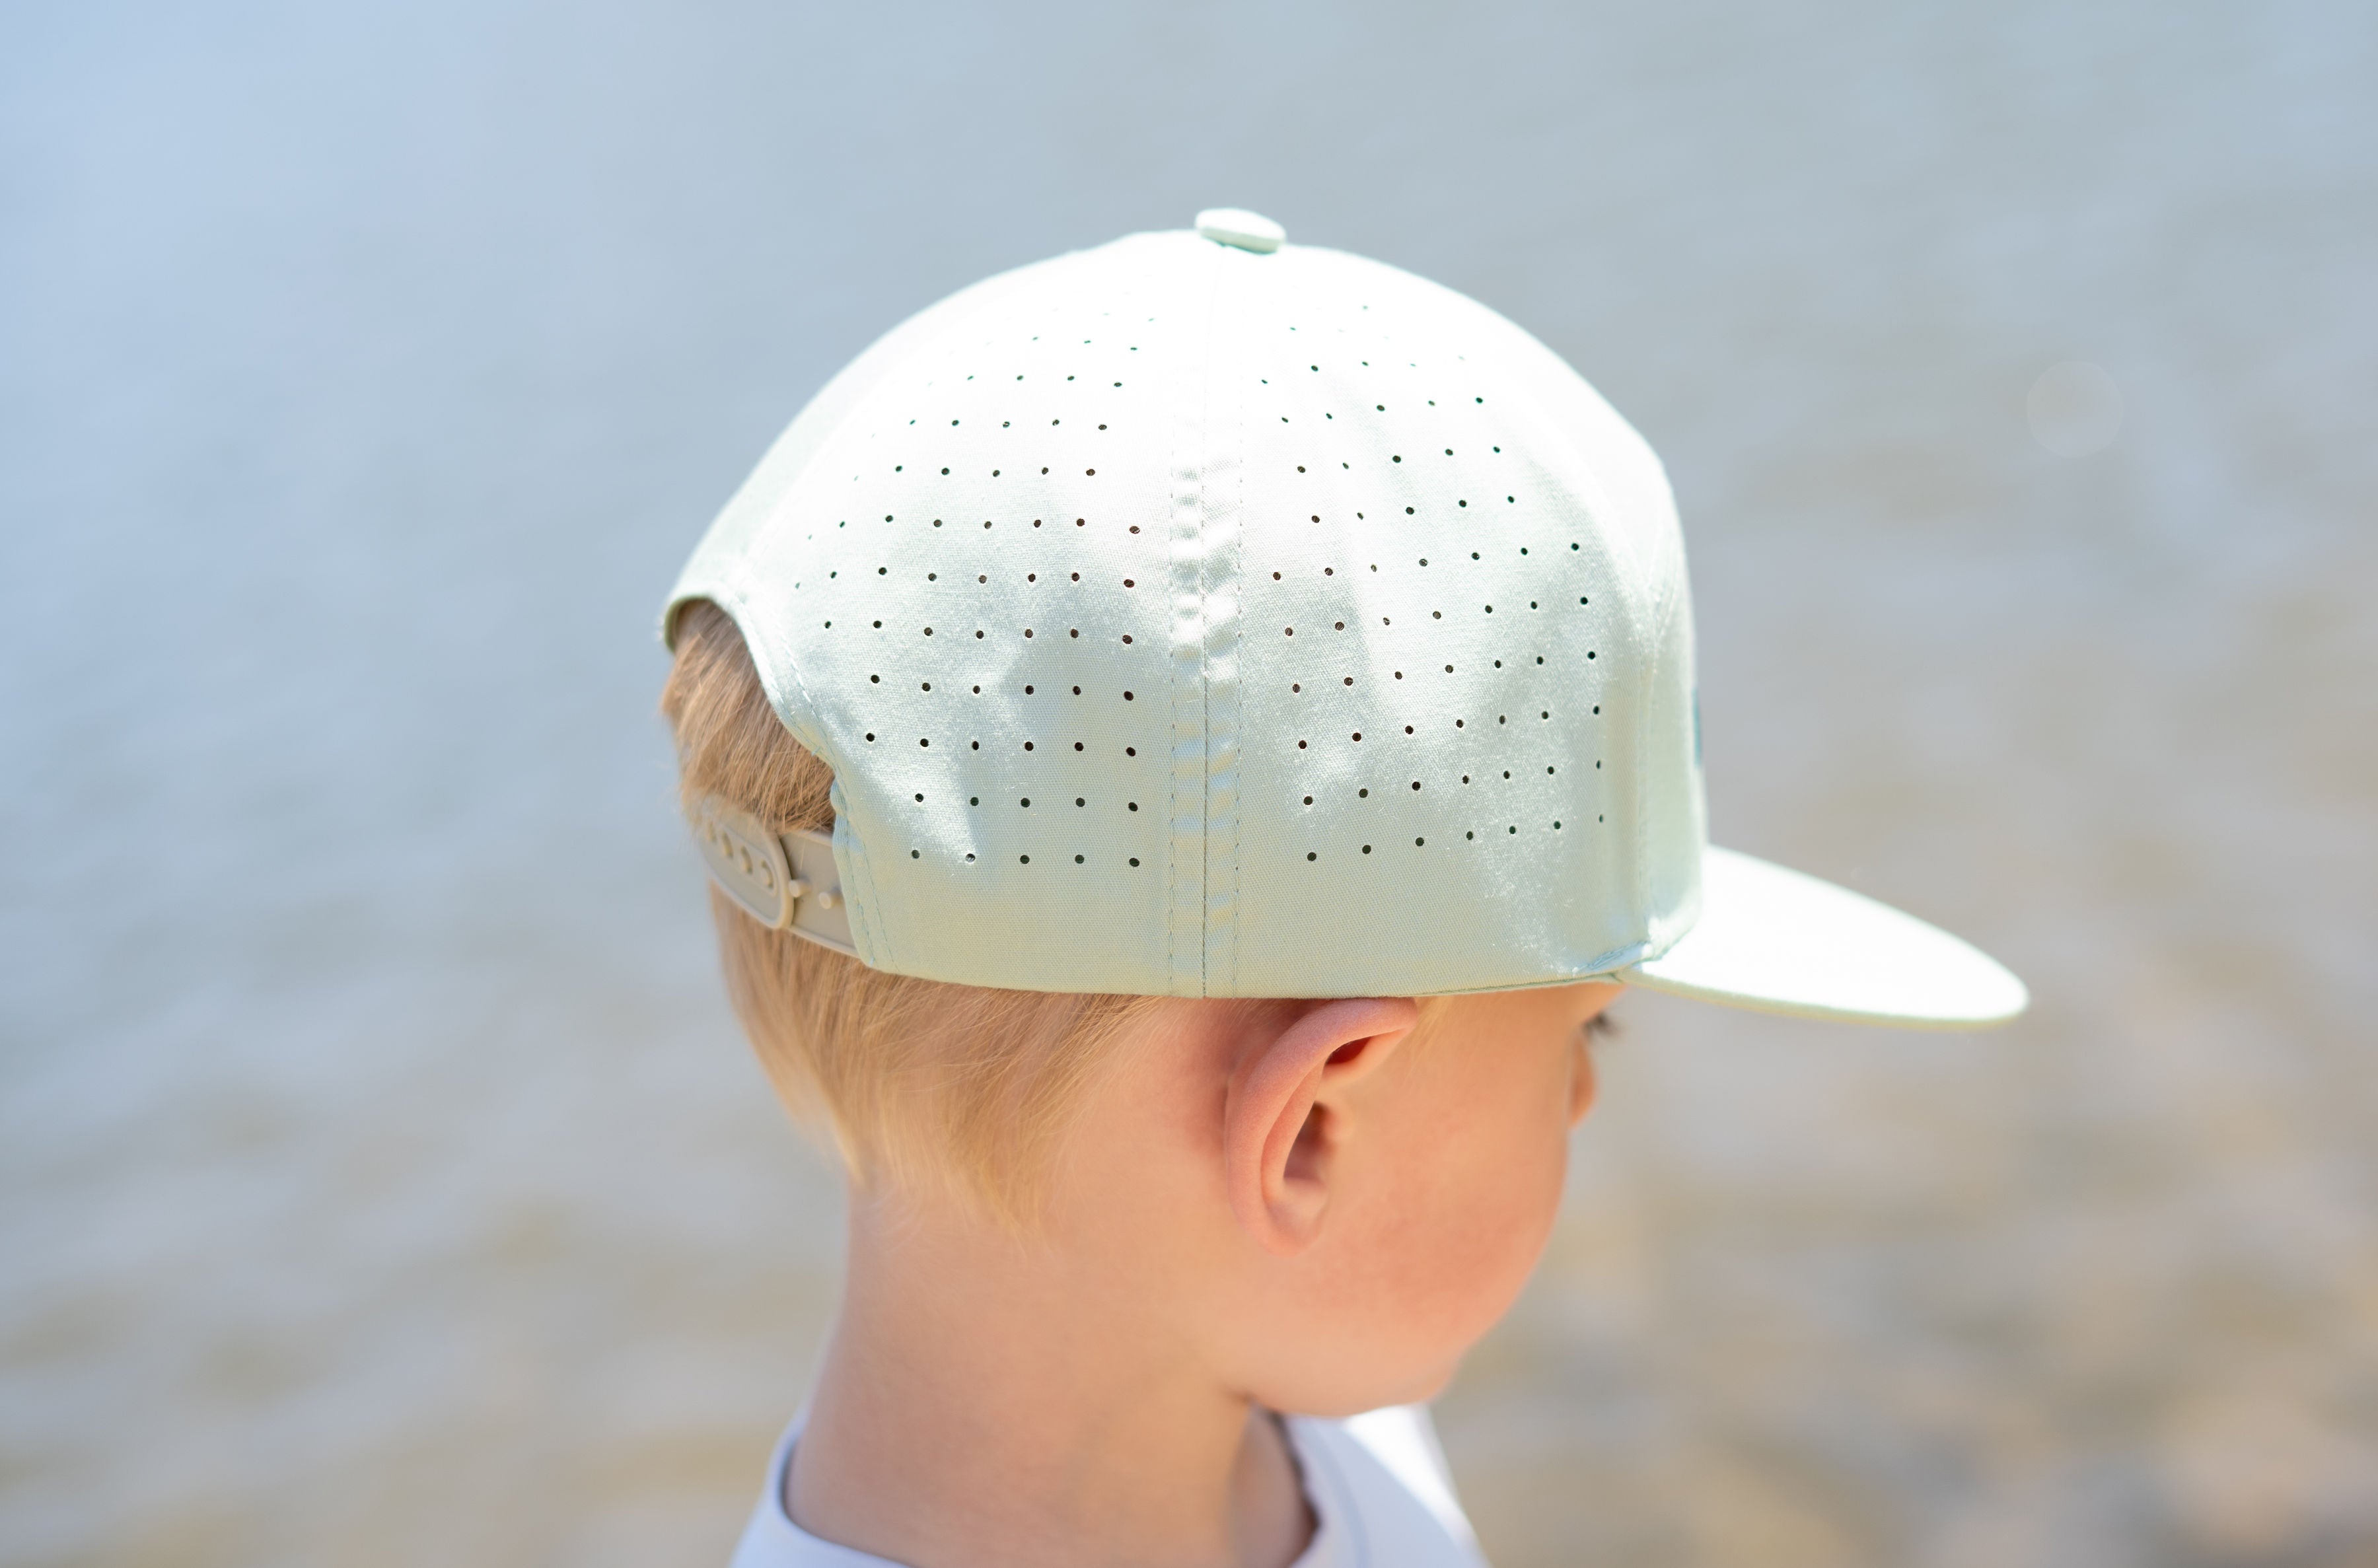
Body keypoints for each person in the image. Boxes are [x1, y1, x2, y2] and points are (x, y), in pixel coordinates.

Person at [657, 208, 2027, 1568]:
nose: (1593, 1095)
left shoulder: (1300, 1413)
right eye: (1584, 1029)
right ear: (1312, 1127)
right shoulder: (1333, 1408)